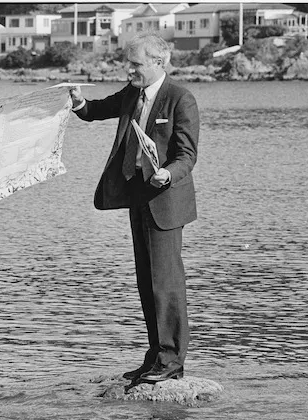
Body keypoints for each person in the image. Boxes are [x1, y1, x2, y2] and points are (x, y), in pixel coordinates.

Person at [69, 32, 199, 384]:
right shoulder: (132, 94)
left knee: (166, 283)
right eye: (128, 64)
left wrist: (167, 175)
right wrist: (79, 102)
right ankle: (156, 356)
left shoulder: (180, 99)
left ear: (159, 63)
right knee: (147, 282)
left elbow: (187, 156)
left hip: (167, 201)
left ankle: (172, 360)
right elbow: (95, 111)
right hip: (138, 198)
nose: (129, 70)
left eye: (136, 64)